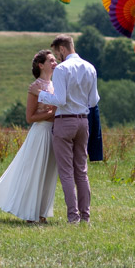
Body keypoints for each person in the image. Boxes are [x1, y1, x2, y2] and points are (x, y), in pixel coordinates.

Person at [0, 50, 59, 223]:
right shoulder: (35, 87)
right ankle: (29, 213)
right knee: (35, 172)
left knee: (48, 173)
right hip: (40, 133)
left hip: (53, 133)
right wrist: (50, 114)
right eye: (51, 60)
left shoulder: (55, 85)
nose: (55, 63)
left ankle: (42, 214)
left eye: (55, 60)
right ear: (41, 65)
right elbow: (30, 118)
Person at [31, 34, 99, 224]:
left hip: (65, 121)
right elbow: (93, 101)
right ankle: (85, 216)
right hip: (83, 121)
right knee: (81, 171)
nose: (56, 57)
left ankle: (73, 217)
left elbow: (59, 100)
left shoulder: (62, 69)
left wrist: (42, 95)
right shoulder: (90, 68)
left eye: (56, 52)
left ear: (62, 49)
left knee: (67, 172)